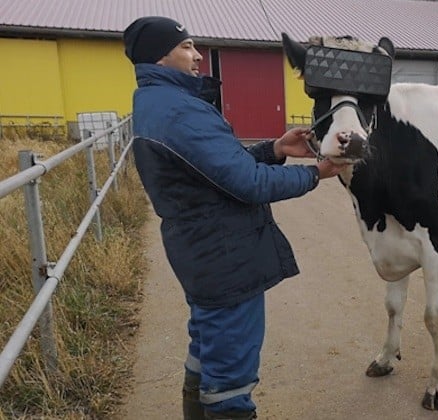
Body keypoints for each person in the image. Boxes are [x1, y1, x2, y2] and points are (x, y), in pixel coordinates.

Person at [122, 16, 345, 420]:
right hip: (224, 257)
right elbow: (248, 184)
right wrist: (315, 173)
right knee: (231, 379)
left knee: (206, 351)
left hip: (202, 251)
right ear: (160, 56)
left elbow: (216, 170)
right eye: (187, 46)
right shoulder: (180, 112)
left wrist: (274, 148)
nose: (197, 54)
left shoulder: (160, 104)